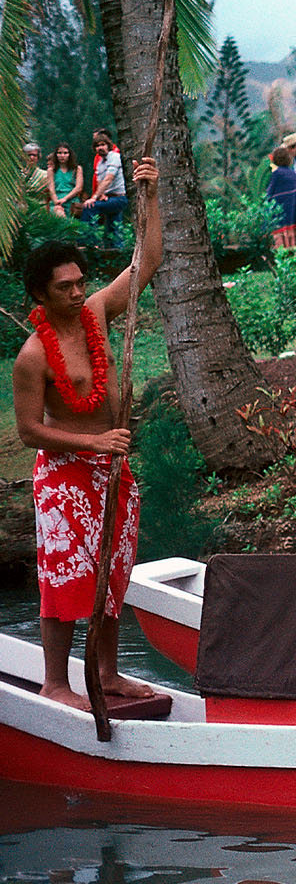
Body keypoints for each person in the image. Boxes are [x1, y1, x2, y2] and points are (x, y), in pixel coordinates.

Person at [12, 158, 164, 710]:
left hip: (112, 471)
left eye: (81, 283)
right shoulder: (32, 357)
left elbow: (147, 261)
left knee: (110, 574)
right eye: (65, 288)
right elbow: (29, 431)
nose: (78, 293)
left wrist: (149, 193)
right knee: (65, 582)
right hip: (65, 477)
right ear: (41, 295)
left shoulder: (99, 314)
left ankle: (110, 672)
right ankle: (56, 683)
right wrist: (94, 443)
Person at [77, 131, 128, 246]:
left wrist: (94, 198)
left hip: (119, 198)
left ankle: (86, 242)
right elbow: (101, 183)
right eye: (97, 146)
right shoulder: (100, 164)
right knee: (113, 228)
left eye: (102, 144)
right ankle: (116, 250)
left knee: (90, 207)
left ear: (108, 145)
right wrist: (101, 195)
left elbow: (108, 179)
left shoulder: (114, 157)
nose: (100, 148)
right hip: (109, 198)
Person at [265, 146, 296, 249]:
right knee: (291, 245)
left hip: (279, 216)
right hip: (291, 214)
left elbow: (269, 194)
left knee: (279, 246)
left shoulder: (277, 173)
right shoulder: (292, 173)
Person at [47, 145, 83, 219]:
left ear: (69, 155)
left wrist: (65, 199)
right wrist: (56, 201)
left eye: (65, 153)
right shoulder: (51, 170)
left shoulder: (77, 169)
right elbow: (51, 188)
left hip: (72, 200)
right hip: (57, 199)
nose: (62, 156)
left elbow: (78, 187)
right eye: (59, 153)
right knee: (59, 214)